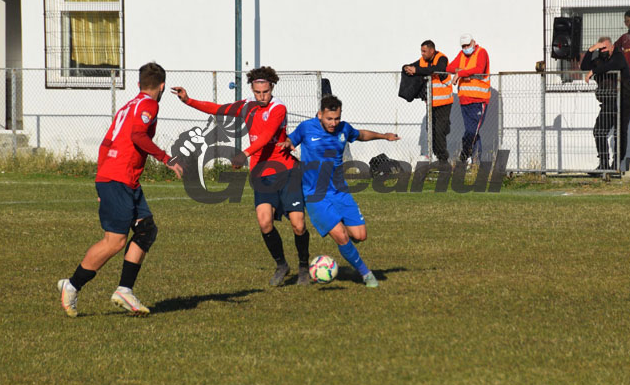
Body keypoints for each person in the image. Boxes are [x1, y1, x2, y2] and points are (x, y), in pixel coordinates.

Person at [57, 62, 183, 317]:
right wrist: (166, 158)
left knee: (146, 229)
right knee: (114, 241)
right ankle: (72, 285)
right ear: (161, 86)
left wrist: (100, 178)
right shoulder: (149, 105)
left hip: (120, 178)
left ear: (138, 84)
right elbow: (138, 136)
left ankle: (125, 290)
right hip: (119, 178)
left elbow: (106, 143)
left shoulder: (128, 106)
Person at [172, 66, 311, 286]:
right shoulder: (247, 106)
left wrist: (244, 153)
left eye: (265, 92)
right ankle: (282, 265)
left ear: (272, 88)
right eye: (258, 92)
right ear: (252, 90)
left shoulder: (278, 108)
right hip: (261, 174)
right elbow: (218, 109)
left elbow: (266, 135)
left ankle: (304, 267)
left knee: (298, 225)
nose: (262, 96)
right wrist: (188, 100)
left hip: (286, 171)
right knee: (265, 223)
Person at [279, 95, 399, 288]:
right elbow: (290, 140)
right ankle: (366, 274)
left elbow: (361, 135)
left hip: (340, 192)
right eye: (329, 119)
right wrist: (287, 143)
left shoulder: (344, 128)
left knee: (360, 236)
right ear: (320, 114)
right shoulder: (306, 128)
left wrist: (384, 136)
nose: (333, 123)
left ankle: (345, 241)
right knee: (342, 236)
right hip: (315, 195)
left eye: (337, 118)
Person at [581, 37, 630, 173]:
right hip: (608, 102)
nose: (603, 51)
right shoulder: (599, 60)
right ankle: (603, 164)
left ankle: (616, 165)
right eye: (600, 49)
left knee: (619, 133)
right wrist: (591, 50)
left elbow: (612, 65)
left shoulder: (618, 57)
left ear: (611, 46)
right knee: (599, 131)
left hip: (623, 102)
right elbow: (584, 66)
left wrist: (594, 71)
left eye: (605, 48)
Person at [403, 40, 452, 165]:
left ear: (432, 50)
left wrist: (416, 70)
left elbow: (436, 69)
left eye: (424, 51)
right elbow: (412, 66)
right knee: (430, 130)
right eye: (421, 51)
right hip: (431, 103)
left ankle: (443, 160)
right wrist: (407, 68)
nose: (422, 54)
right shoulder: (423, 60)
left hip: (444, 102)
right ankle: (435, 156)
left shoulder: (441, 58)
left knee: (440, 131)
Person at [446, 33, 491, 164]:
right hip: (464, 100)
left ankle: (465, 155)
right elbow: (449, 68)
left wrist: (460, 72)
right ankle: (476, 162)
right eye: (463, 46)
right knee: (473, 132)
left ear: (473, 42)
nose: (466, 48)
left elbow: (479, 69)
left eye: (468, 45)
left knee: (472, 131)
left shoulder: (481, 52)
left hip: (478, 100)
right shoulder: (461, 55)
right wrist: (461, 71)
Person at [613, 9, 630, 80]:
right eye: (627, 21)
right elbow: (613, 49)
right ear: (625, 23)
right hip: (627, 75)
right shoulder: (624, 38)